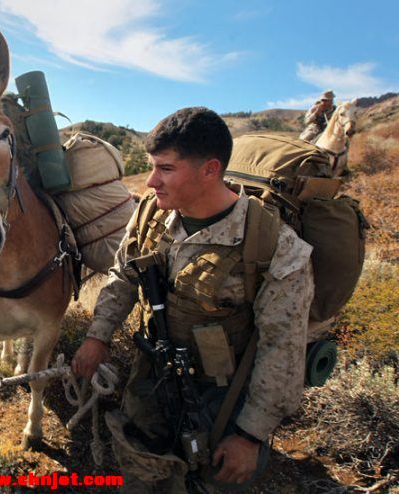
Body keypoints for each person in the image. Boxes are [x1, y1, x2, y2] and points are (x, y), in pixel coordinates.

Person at [71, 107, 314, 492]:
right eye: (152, 167)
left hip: (224, 397)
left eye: (166, 169)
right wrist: (97, 336)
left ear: (209, 170)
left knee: (210, 480)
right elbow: (123, 275)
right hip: (154, 372)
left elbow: (282, 347)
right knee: (140, 465)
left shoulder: (274, 246)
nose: (151, 181)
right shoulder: (151, 215)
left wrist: (250, 435)